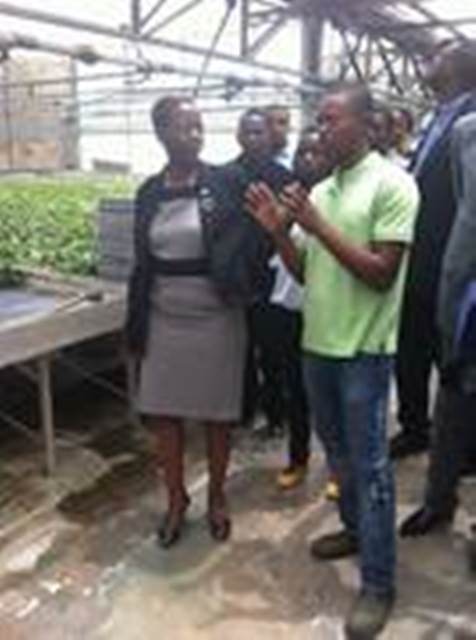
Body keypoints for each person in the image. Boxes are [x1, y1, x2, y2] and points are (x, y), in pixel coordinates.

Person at [246, 84, 419, 638]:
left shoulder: (393, 184)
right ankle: (355, 531)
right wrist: (281, 233)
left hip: (363, 353)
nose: (321, 130)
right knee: (339, 456)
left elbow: (381, 273)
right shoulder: (323, 187)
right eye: (318, 121)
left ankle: (378, 582)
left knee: (369, 470)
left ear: (366, 123)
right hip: (317, 347)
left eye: (331, 119)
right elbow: (304, 274)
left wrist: (318, 226)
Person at [125, 96, 263, 549]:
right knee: (164, 413)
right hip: (165, 313)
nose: (196, 135)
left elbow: (254, 237)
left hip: (217, 314)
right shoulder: (148, 192)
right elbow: (141, 263)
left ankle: (218, 497)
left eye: (200, 127)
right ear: (161, 133)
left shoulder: (227, 181)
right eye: (185, 127)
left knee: (217, 415)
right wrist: (134, 325)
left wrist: (244, 283)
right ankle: (176, 499)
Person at [391, 40, 476, 459]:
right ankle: (414, 428)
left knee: (452, 359)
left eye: (437, 55)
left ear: (461, 66)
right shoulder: (436, 118)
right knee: (411, 351)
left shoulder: (472, 119)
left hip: (451, 262)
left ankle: (462, 444)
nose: (428, 61)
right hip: (417, 259)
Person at [400, 113, 476, 537]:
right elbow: (463, 213)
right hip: (466, 294)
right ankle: (438, 500)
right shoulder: (466, 132)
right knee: (452, 402)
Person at [273, 126, 331, 490]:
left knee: (327, 394)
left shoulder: (335, 200)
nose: (308, 160)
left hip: (325, 309)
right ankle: (298, 458)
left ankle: (337, 467)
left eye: (316, 152)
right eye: (302, 153)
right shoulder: (287, 198)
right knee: (295, 389)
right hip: (288, 305)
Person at [232, 108, 294, 434]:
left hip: (273, 277)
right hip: (239, 277)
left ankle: (276, 414)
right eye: (248, 132)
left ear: (270, 137)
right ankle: (243, 410)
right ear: (238, 136)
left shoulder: (283, 177)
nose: (254, 138)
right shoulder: (227, 175)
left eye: (260, 132)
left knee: (273, 350)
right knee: (240, 350)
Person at [266, 104, 293, 168]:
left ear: (289, 127)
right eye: (269, 123)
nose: (275, 128)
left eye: (282, 122)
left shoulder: (298, 157)